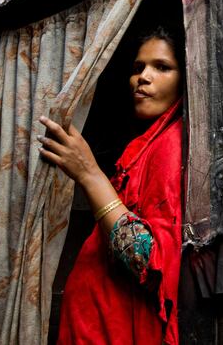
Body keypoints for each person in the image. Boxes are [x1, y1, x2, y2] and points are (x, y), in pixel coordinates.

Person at [39, 26, 185, 345]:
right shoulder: (145, 146)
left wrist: (90, 173)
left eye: (161, 67)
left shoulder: (171, 147)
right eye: (138, 68)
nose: (142, 77)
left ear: (185, 77)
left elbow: (148, 261)